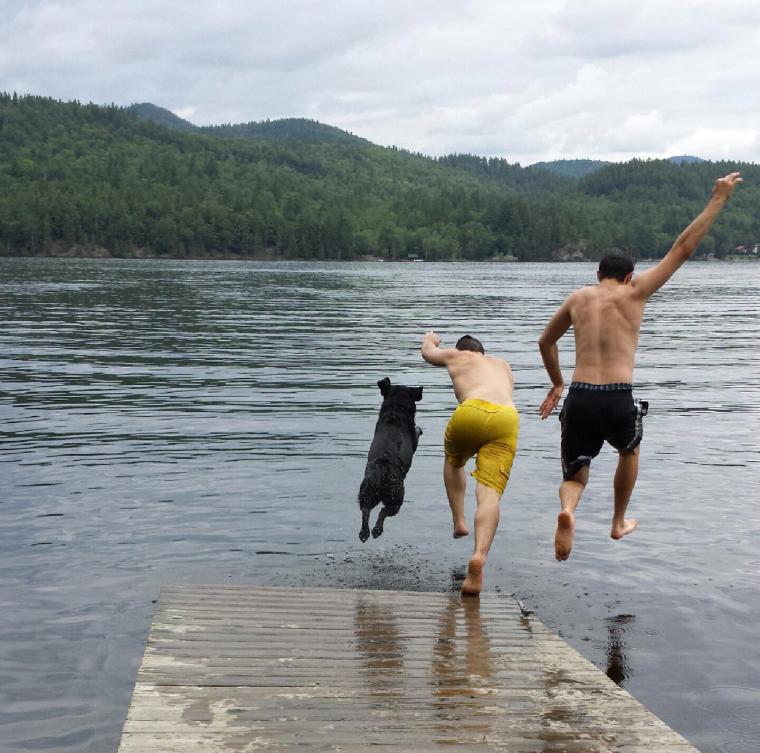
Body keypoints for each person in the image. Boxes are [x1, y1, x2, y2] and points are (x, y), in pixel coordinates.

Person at [538, 172, 743, 561]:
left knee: (574, 474)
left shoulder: (579, 298)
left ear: (598, 276)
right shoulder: (637, 290)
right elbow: (682, 249)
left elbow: (545, 341)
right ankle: (617, 521)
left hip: (580, 395)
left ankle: (567, 511)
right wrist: (718, 200)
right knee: (628, 452)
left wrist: (558, 384)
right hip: (617, 395)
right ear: (629, 275)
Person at [421, 332, 519, 595]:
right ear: (483, 354)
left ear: (463, 351)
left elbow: (428, 353)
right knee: (490, 493)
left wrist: (430, 338)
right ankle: (479, 557)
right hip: (506, 417)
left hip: (471, 410)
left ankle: (459, 521)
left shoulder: (458, 355)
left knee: (454, 462)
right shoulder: (503, 366)